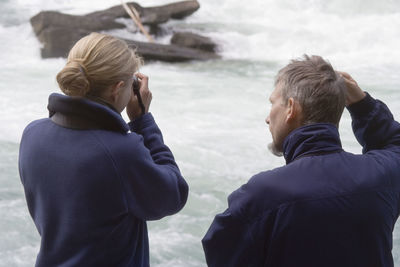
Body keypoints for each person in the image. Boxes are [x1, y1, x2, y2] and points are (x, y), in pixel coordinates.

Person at [202, 55, 400, 267]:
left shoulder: (260, 195)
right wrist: (362, 105)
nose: (268, 118)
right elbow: (394, 143)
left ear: (290, 108)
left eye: (272, 103)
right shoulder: (380, 177)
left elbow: (221, 256)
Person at [18, 32, 189, 267]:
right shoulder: (120, 153)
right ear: (117, 89)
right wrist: (143, 122)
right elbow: (174, 195)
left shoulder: (32, 135)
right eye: (131, 84)